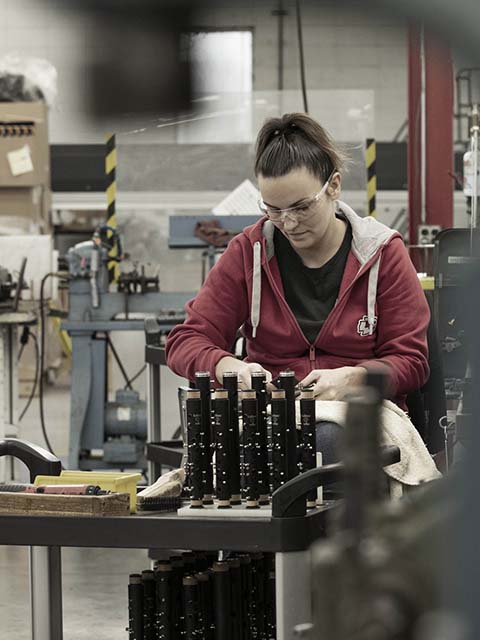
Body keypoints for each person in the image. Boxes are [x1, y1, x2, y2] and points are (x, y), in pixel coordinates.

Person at [166, 112, 430, 464]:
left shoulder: (382, 254)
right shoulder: (249, 252)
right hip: (270, 418)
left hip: (360, 418)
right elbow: (186, 340)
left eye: (302, 207)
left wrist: (354, 378)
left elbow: (412, 362)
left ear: (333, 186)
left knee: (324, 442)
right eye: (273, 209)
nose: (288, 223)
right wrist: (231, 367)